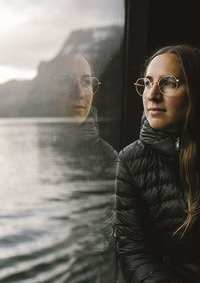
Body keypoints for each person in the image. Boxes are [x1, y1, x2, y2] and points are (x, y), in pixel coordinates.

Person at [115, 44, 200, 282]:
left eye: (169, 83)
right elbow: (134, 251)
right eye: (148, 83)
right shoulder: (131, 160)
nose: (152, 95)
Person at [46, 52, 118, 283]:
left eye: (87, 82)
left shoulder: (108, 159)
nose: (79, 92)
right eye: (66, 81)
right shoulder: (25, 150)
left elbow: (100, 242)